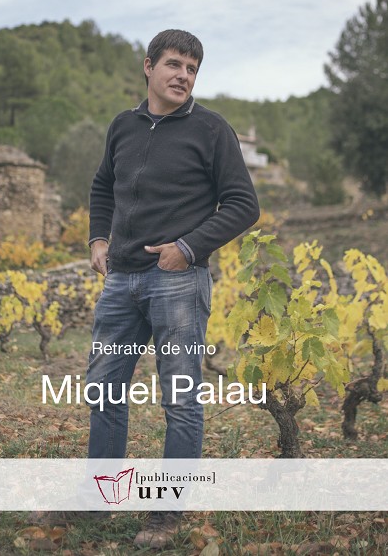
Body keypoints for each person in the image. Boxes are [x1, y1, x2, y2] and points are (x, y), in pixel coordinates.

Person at [87, 29, 260, 548]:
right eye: (174, 64)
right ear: (149, 66)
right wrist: (98, 238)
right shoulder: (123, 125)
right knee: (104, 392)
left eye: (192, 69)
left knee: (180, 401)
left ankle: (166, 514)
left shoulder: (212, 129)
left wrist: (186, 247)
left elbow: (243, 204)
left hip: (178, 283)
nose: (183, 75)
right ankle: (97, 502)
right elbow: (102, 184)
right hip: (120, 282)